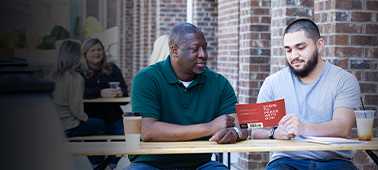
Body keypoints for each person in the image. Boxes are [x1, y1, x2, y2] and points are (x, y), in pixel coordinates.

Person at [129, 23, 245, 170]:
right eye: (195, 49)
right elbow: (148, 130)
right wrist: (210, 127)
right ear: (174, 50)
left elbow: (242, 123)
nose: (203, 54)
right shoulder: (147, 78)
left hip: (199, 164)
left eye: (205, 48)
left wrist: (235, 132)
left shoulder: (218, 83)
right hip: (150, 163)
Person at [249, 19, 361, 170]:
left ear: (319, 45)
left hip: (334, 162)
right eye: (288, 50)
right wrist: (274, 133)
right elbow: (255, 131)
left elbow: (343, 127)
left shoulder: (343, 80)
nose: (293, 55)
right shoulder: (272, 83)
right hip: (286, 161)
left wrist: (303, 128)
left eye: (300, 47)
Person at [51, 40, 109, 169]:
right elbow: (76, 109)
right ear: (77, 56)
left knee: (94, 124)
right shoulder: (76, 78)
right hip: (70, 127)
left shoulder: (53, 76)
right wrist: (85, 118)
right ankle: (97, 163)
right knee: (100, 124)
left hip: (55, 125)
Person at [81, 38, 127, 134]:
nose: (97, 53)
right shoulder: (80, 72)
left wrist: (120, 92)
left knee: (128, 135)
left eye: (99, 50)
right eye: (92, 50)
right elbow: (78, 93)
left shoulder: (112, 69)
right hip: (90, 117)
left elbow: (125, 91)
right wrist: (100, 93)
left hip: (114, 116)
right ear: (85, 53)